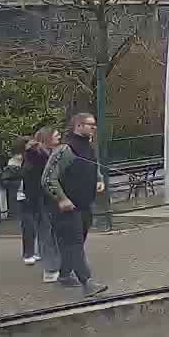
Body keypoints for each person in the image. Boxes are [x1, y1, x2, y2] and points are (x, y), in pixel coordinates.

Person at [41, 112, 109, 297]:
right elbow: (48, 178)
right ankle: (87, 282)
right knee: (74, 243)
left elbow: (93, 165)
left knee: (76, 241)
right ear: (78, 126)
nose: (93, 128)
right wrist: (62, 198)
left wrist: (98, 179)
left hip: (85, 203)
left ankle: (64, 274)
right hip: (66, 207)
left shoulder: (89, 147)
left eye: (94, 124)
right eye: (90, 124)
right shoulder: (64, 150)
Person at [20, 125, 62, 282]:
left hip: (52, 200)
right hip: (41, 201)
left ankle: (59, 265)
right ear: (46, 138)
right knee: (46, 234)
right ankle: (50, 270)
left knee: (56, 233)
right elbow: (34, 181)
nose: (59, 137)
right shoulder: (35, 157)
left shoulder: (51, 154)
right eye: (56, 135)